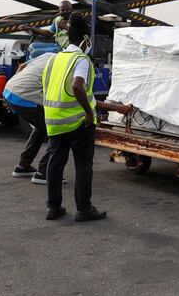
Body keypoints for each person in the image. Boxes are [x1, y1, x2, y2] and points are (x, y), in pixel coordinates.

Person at [42, 13, 132, 221]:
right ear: (84, 39)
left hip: (54, 120)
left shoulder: (55, 59)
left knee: (55, 162)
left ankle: (52, 208)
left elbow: (58, 90)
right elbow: (77, 86)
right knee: (83, 164)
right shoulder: (80, 60)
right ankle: (84, 209)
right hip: (78, 122)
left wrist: (113, 108)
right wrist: (88, 114)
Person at [5, 53, 56, 184]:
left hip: (9, 89)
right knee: (56, 129)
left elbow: (22, 66)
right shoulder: (64, 63)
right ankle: (43, 172)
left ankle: (23, 166)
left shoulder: (48, 55)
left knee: (41, 127)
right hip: (25, 96)